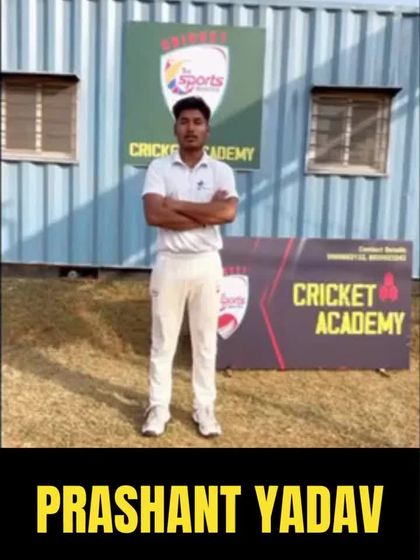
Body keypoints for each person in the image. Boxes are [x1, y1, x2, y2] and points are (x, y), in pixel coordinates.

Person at [141, 96, 238, 438]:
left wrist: (177, 205)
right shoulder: (159, 168)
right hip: (170, 263)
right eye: (184, 122)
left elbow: (227, 213)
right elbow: (154, 215)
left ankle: (204, 407)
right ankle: (158, 407)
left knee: (205, 341)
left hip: (206, 264)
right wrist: (206, 214)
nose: (190, 128)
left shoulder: (221, 171)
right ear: (175, 128)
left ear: (207, 129)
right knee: (163, 340)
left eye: (197, 122)